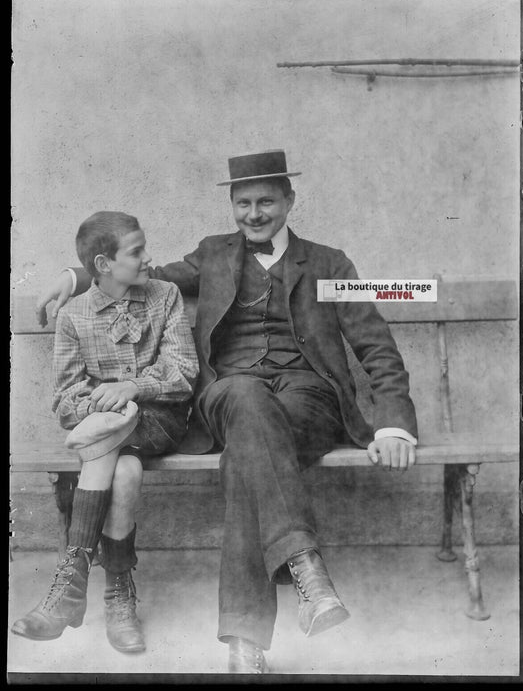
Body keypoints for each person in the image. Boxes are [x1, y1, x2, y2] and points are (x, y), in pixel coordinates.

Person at [35, 151, 418, 674]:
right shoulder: (213, 255)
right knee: (244, 396)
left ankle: (246, 643)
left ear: (289, 200)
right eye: (243, 203)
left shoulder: (331, 264)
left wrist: (394, 423)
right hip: (228, 395)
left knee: (248, 455)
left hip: (306, 399)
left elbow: (376, 344)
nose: (254, 214)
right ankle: (304, 568)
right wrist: (73, 276)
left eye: (266, 201)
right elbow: (138, 272)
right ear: (231, 205)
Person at [13, 211, 199, 654]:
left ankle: (69, 582)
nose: (148, 257)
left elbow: (183, 371)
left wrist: (133, 388)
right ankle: (119, 595)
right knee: (125, 473)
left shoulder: (165, 295)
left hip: (160, 419)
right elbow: (65, 396)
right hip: (109, 433)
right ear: (103, 264)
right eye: (136, 252)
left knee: (100, 441)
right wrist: (99, 402)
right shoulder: (74, 315)